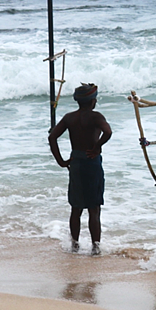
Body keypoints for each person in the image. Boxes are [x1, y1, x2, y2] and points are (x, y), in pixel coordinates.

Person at [48, 83, 112, 255]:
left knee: (76, 208)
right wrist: (97, 146)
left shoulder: (70, 118)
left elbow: (52, 137)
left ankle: (75, 245)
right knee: (94, 209)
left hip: (75, 162)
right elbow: (108, 132)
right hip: (92, 163)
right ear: (93, 101)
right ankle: (95, 247)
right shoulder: (96, 117)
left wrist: (61, 161)